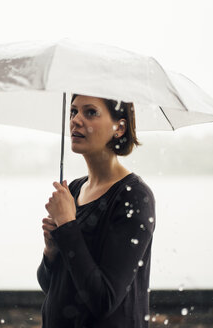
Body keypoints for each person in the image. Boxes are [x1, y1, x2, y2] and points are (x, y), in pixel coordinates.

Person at [36, 94, 156, 328]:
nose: (75, 120)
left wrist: (68, 225)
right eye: (73, 112)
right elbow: (50, 285)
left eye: (90, 112)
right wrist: (50, 251)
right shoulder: (73, 190)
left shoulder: (133, 196)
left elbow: (103, 300)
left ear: (119, 127)